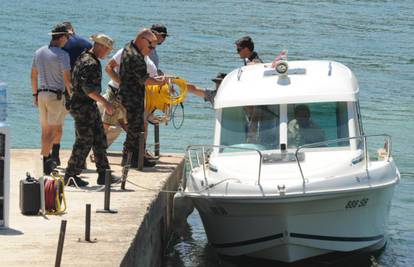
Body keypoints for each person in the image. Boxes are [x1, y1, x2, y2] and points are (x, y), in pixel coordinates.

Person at [63, 34, 117, 187]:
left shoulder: (84, 56)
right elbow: (89, 90)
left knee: (99, 138)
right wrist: (106, 103)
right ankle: (70, 175)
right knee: (84, 140)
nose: (107, 53)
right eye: (107, 49)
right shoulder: (91, 63)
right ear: (100, 46)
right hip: (82, 106)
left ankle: (104, 174)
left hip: (86, 105)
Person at [44, 21, 93, 167]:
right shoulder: (85, 43)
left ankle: (55, 156)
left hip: (60, 89)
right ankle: (80, 160)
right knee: (82, 126)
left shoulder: (59, 45)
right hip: (81, 89)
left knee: (57, 123)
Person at [119, 29, 167, 168]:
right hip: (132, 97)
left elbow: (139, 76)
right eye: (150, 46)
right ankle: (129, 160)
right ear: (142, 40)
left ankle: (137, 157)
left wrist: (154, 79)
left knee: (138, 128)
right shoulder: (135, 56)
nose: (151, 50)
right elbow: (144, 79)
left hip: (131, 94)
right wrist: (159, 82)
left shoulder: (128, 47)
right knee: (135, 130)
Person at [31, 23, 71, 175]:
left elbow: (33, 76)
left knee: (45, 130)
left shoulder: (39, 52)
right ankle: (47, 163)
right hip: (55, 96)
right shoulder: (63, 55)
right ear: (61, 37)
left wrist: (35, 94)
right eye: (66, 37)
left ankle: (47, 161)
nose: (67, 39)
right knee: (53, 131)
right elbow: (67, 80)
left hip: (41, 94)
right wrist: (72, 97)